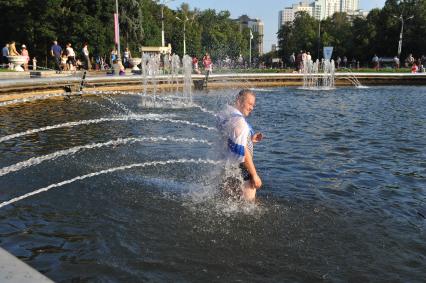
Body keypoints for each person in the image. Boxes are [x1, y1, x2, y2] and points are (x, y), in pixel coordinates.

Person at [217, 89, 263, 201]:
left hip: (227, 164)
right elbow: (243, 151)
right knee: (249, 204)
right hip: (242, 167)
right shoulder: (240, 123)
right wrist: (254, 175)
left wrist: (250, 139)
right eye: (250, 104)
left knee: (227, 201)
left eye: (253, 105)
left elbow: (230, 140)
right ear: (239, 101)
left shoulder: (226, 114)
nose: (252, 108)